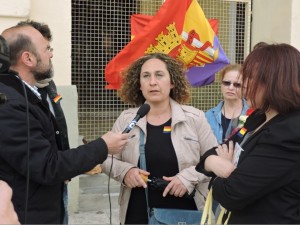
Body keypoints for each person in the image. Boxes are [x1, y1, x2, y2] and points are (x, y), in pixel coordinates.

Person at [0, 22, 129, 224]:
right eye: (47, 49)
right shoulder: (11, 104)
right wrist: (103, 146)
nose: (51, 55)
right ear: (28, 58)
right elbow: (47, 166)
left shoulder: (27, 93)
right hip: (26, 215)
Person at [101, 53, 218, 224]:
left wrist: (188, 178)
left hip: (185, 215)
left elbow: (214, 159)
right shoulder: (127, 119)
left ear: (172, 82)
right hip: (137, 214)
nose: (152, 82)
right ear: (139, 84)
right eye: (146, 76)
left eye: (159, 75)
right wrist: (126, 171)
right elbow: (106, 159)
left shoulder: (195, 118)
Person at [196, 43, 300, 223]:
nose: (243, 85)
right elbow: (212, 154)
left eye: (250, 77)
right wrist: (213, 161)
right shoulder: (258, 118)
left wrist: (226, 172)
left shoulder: (288, 132)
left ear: (275, 81)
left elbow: (232, 194)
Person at [205, 64, 249, 144]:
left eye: (237, 84)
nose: (231, 88)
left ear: (245, 88)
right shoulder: (209, 116)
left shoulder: (253, 115)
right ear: (221, 85)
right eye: (226, 83)